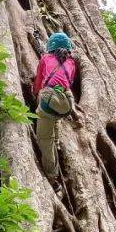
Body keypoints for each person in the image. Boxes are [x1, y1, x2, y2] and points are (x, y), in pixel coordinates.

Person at [32, 31, 79, 180]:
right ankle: (57, 142)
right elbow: (68, 82)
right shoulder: (71, 63)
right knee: (55, 115)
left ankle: (53, 177)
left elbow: (38, 82)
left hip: (49, 102)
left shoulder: (45, 58)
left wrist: (35, 93)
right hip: (67, 104)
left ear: (50, 47)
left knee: (45, 140)